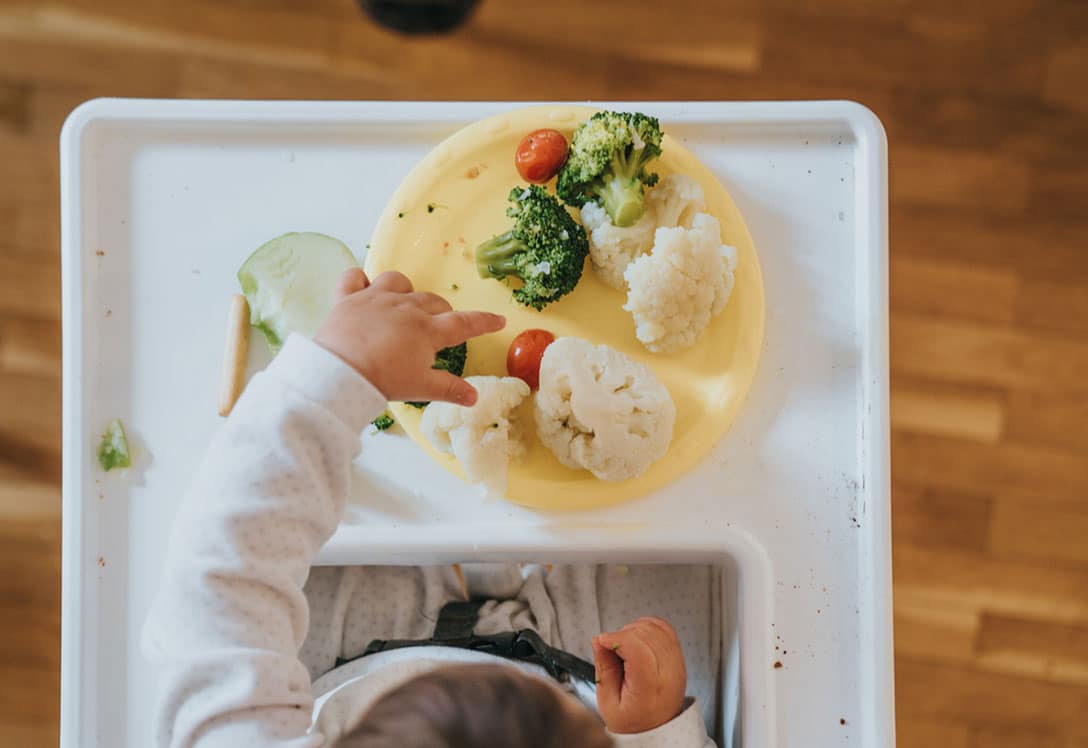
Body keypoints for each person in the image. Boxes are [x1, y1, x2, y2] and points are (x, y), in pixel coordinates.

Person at [142, 268, 721, 747]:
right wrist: (652, 734)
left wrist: (337, 374)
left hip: (341, 659)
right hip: (582, 662)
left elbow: (223, 578)